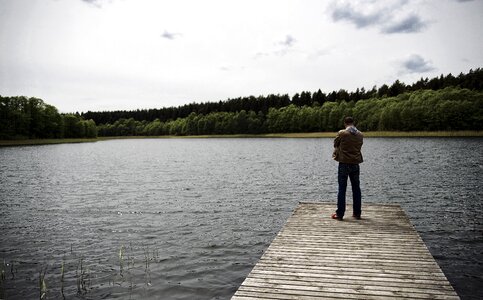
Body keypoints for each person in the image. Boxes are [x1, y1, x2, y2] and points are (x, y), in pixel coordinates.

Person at [331, 117, 363, 220]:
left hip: (344, 163)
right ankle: (357, 213)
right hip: (355, 164)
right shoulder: (360, 135)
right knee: (356, 189)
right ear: (353, 123)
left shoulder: (342, 133)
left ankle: (340, 214)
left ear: (345, 123)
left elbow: (335, 143)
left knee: (342, 189)